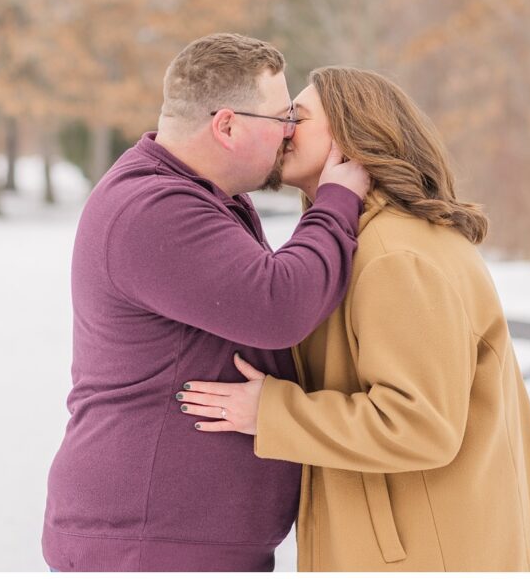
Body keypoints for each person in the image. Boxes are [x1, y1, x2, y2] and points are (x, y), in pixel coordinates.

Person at [177, 66, 530, 571]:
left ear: (352, 137)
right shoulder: (368, 243)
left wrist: (272, 413)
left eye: (296, 118)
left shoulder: (395, 256)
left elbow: (419, 424)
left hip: (424, 551)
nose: (282, 129)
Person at [41, 35, 371, 572]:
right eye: (283, 115)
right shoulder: (153, 210)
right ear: (227, 126)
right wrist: (337, 199)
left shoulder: (202, 194)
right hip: (147, 543)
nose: (291, 130)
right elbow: (278, 306)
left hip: (178, 538)